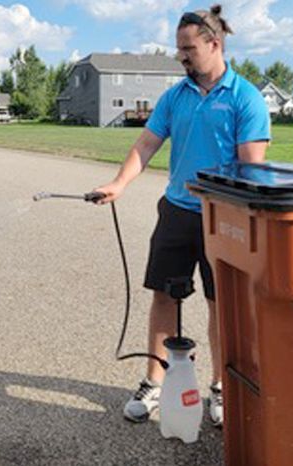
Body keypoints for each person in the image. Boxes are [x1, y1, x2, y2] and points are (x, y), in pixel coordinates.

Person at [94, 4, 270, 427]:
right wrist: (119, 184)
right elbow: (146, 146)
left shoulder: (245, 98)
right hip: (176, 211)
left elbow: (251, 171)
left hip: (223, 218)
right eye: (179, 49)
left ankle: (221, 387)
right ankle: (154, 383)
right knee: (162, 297)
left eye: (188, 48)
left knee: (219, 305)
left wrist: (237, 217)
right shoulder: (175, 96)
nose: (182, 57)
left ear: (215, 44)